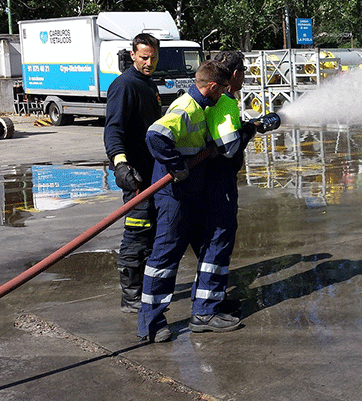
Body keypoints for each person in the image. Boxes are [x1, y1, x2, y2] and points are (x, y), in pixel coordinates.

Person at [137, 60, 231, 342]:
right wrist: (176, 165)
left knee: (206, 248)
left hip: (189, 194)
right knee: (164, 258)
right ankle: (150, 324)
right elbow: (155, 135)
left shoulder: (201, 107)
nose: (225, 93)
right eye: (223, 88)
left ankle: (205, 312)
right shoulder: (185, 108)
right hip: (173, 197)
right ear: (212, 87)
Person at [190, 50, 259, 333]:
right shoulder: (226, 102)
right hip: (219, 184)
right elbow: (229, 148)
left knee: (213, 244)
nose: (244, 78)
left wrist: (244, 127)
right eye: (243, 72)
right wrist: (250, 131)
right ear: (234, 75)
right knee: (218, 243)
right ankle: (205, 313)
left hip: (210, 181)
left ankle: (211, 301)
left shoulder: (215, 100)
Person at [103, 33, 162, 313]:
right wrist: (120, 164)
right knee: (137, 234)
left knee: (152, 234)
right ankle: (130, 298)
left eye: (152, 57)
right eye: (143, 57)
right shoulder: (124, 86)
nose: (148, 62)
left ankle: (146, 289)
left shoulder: (148, 85)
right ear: (132, 54)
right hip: (136, 176)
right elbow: (113, 129)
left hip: (154, 174)